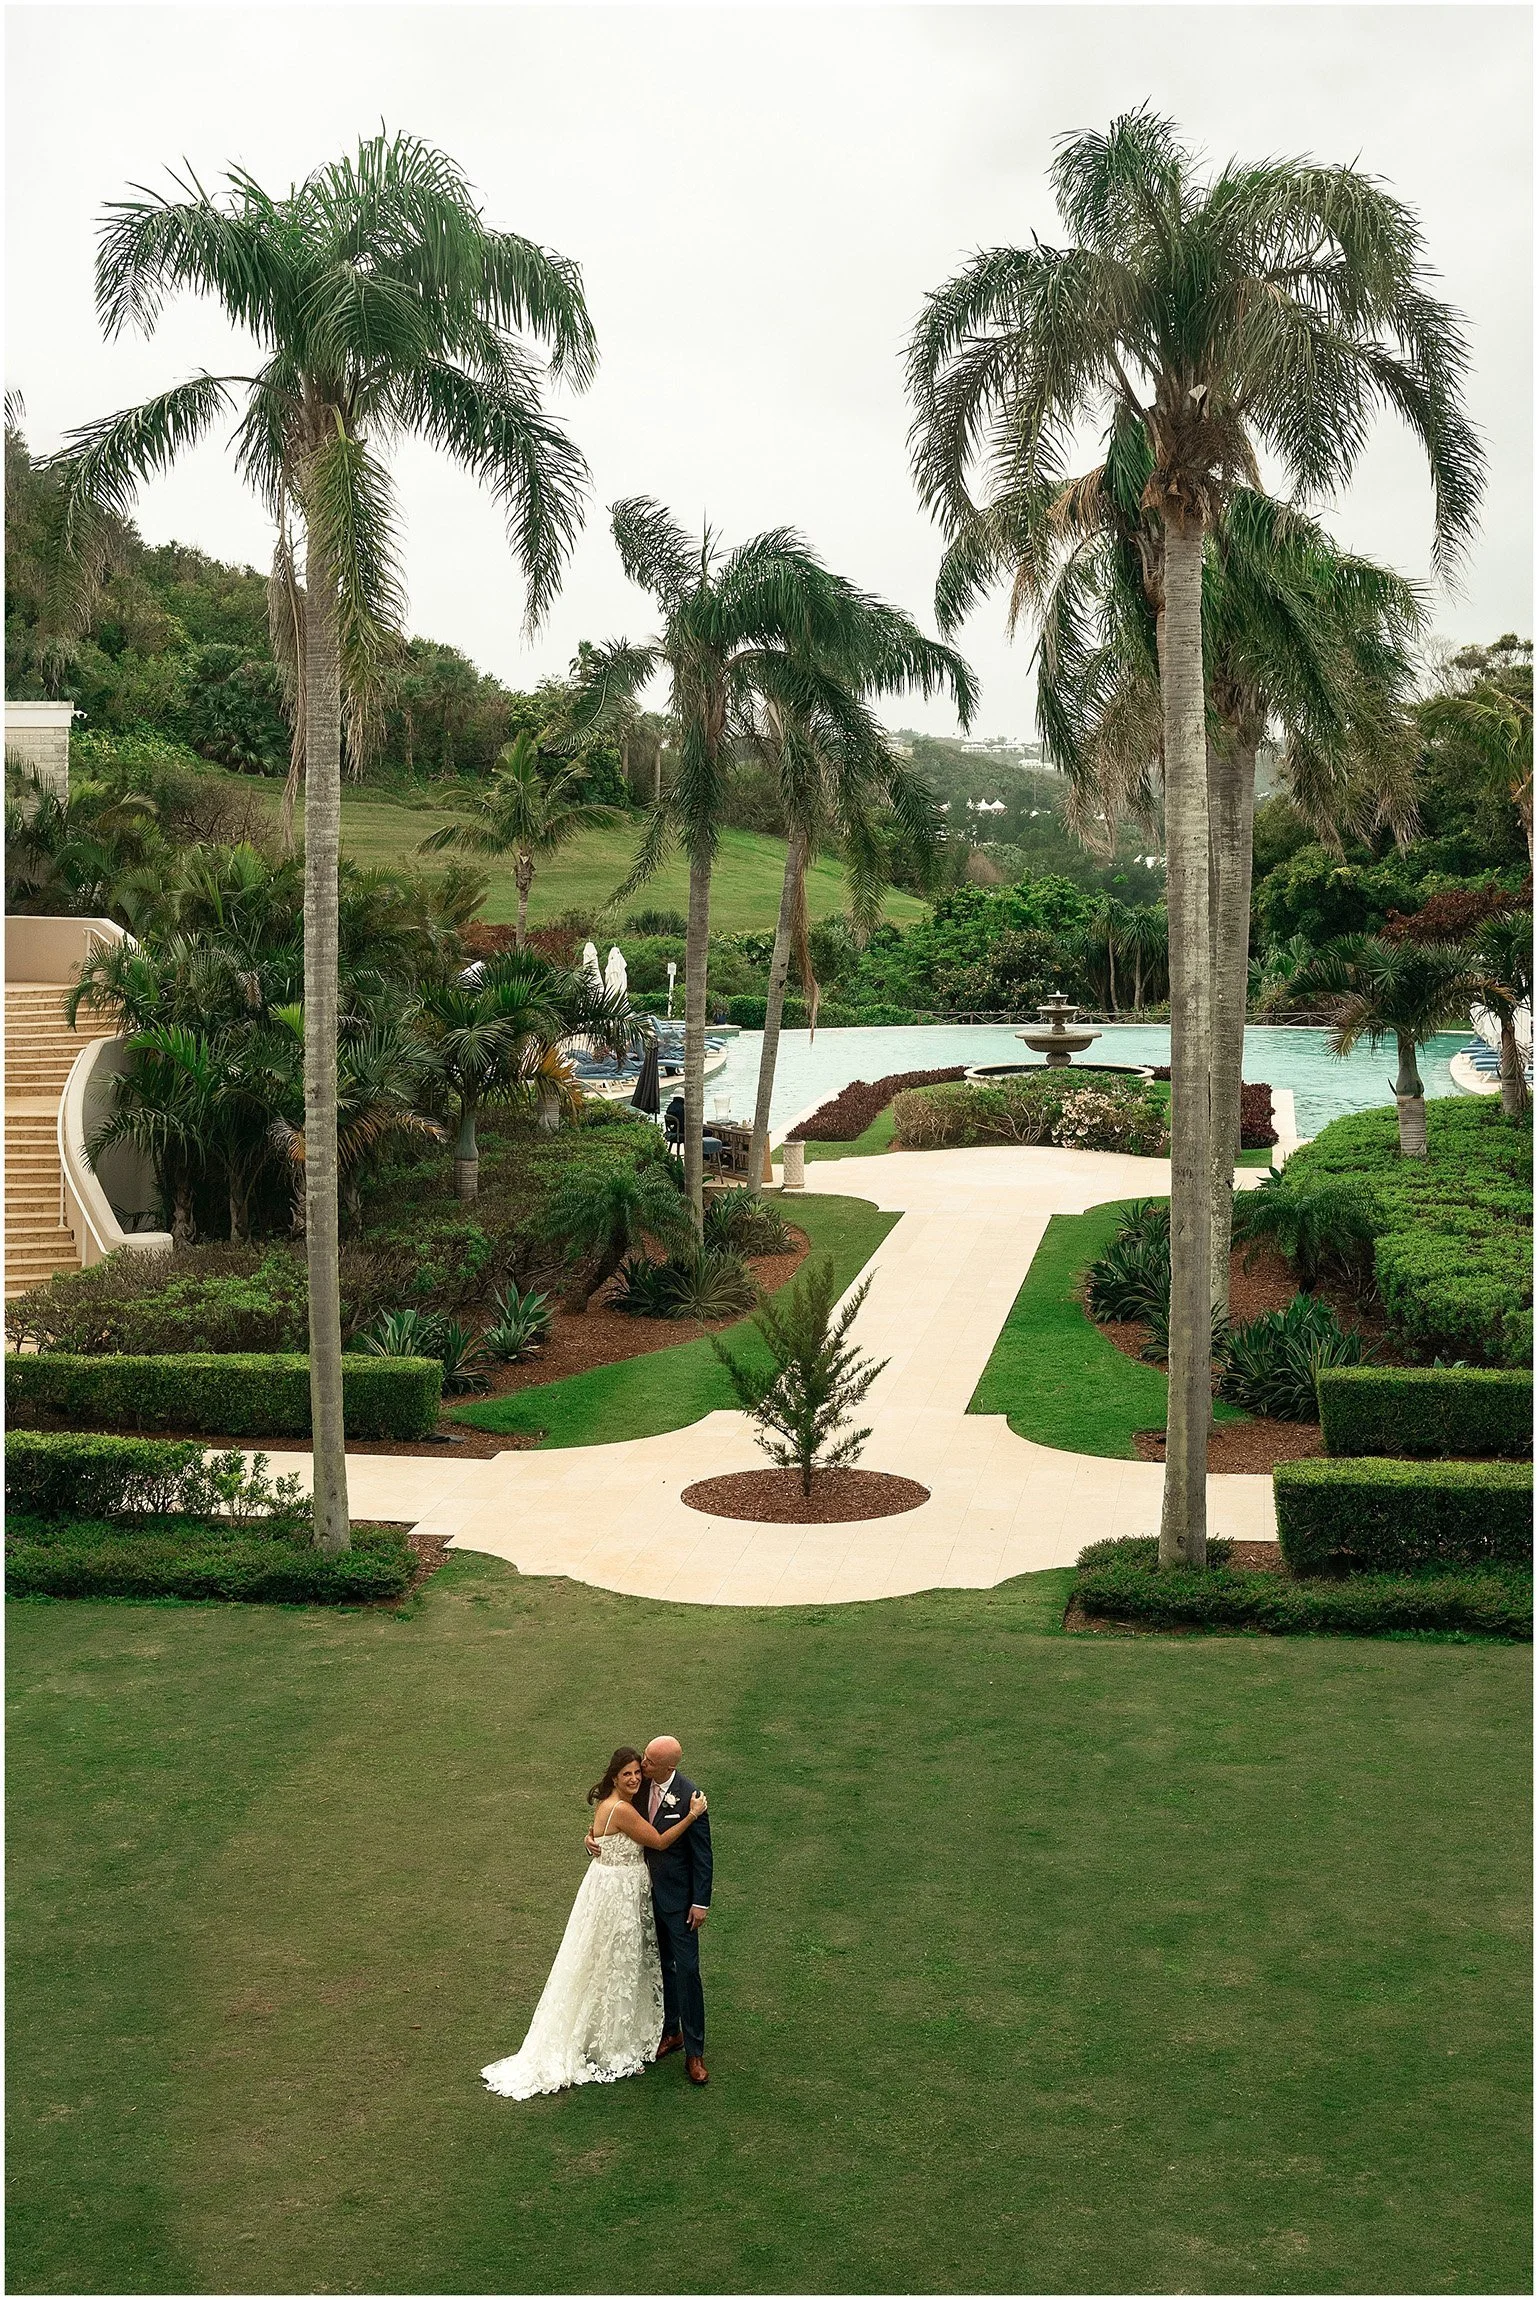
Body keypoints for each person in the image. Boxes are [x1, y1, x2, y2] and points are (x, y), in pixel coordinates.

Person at [481, 1747, 707, 2102]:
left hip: (630, 1893)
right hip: (620, 1895)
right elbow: (658, 1840)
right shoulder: (624, 1805)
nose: (638, 1775)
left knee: (627, 1963)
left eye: (641, 1769)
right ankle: (622, 2037)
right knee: (617, 1963)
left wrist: (593, 1839)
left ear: (667, 1766)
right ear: (614, 1777)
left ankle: (681, 2042)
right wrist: (691, 1815)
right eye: (629, 1772)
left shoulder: (639, 1796)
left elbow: (608, 1833)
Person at [591, 1735, 714, 2087]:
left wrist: (700, 1902)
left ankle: (695, 2053)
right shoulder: (638, 1786)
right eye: (643, 1759)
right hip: (639, 1899)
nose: (642, 1766)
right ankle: (670, 2032)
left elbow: (702, 1855)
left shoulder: (690, 1797)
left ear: (668, 1767)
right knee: (659, 1966)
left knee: (687, 1970)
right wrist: (592, 1841)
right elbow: (612, 1824)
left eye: (649, 1762)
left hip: (679, 1902)